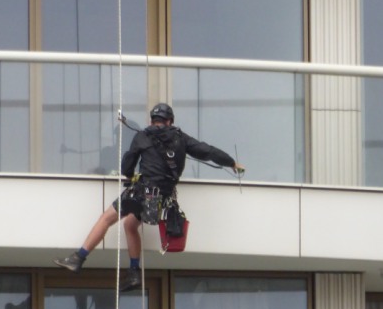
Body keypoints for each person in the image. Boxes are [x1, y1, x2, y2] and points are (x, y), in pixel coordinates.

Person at [53, 102, 245, 292]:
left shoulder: (143, 136)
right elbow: (207, 151)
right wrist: (231, 163)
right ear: (170, 121)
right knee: (130, 225)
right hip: (161, 200)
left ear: (152, 120)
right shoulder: (181, 138)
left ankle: (78, 258)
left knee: (106, 219)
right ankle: (134, 273)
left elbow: (127, 167)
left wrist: (131, 175)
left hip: (141, 193)